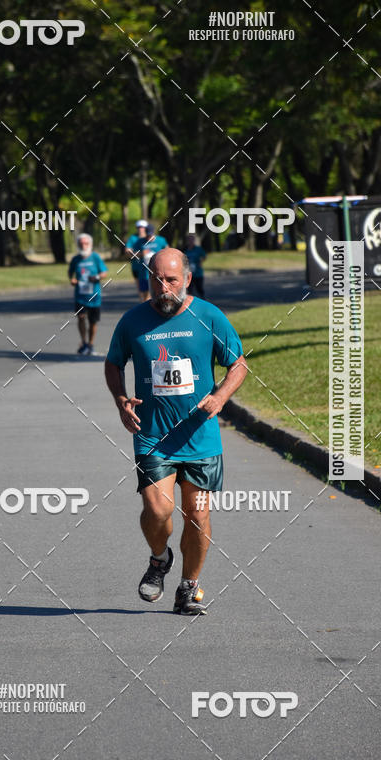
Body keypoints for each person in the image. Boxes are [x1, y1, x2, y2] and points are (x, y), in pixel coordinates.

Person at [104, 247, 247, 615]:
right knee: (158, 509)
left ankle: (188, 586)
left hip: (200, 437)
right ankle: (159, 558)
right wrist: (121, 399)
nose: (163, 287)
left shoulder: (209, 317)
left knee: (197, 515)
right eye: (156, 279)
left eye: (170, 280)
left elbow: (238, 365)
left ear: (186, 279)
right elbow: (113, 363)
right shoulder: (133, 321)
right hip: (153, 435)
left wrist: (220, 398)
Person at [68, 233, 108, 355]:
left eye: (86, 243)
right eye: (81, 244)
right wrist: (73, 280)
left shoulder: (95, 257)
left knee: (92, 321)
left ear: (90, 244)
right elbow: (70, 273)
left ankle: (90, 344)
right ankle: (83, 342)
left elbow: (104, 273)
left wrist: (95, 277)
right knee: (80, 317)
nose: (83, 246)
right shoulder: (76, 259)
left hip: (94, 296)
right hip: (80, 296)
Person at [136, 223, 168, 302]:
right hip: (144, 272)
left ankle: (148, 310)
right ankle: (145, 309)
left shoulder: (161, 240)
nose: (149, 237)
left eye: (150, 235)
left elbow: (168, 251)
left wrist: (160, 254)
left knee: (153, 294)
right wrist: (141, 253)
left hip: (156, 272)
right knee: (144, 294)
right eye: (147, 235)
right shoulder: (140, 241)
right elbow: (133, 254)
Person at [125, 220, 149, 297]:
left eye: (142, 227)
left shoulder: (149, 238)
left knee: (149, 288)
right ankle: (142, 304)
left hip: (148, 267)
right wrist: (141, 254)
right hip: (136, 267)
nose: (140, 229)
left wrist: (135, 253)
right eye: (139, 227)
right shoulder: (133, 238)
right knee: (141, 290)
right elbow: (127, 251)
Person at [183, 234, 206, 298]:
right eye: (189, 240)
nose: (191, 241)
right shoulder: (185, 250)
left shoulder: (198, 249)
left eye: (192, 240)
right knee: (189, 290)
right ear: (187, 241)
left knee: (199, 289)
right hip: (188, 273)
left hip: (198, 273)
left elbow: (204, 256)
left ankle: (203, 300)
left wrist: (200, 261)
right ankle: (190, 304)